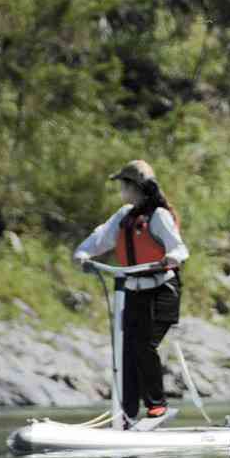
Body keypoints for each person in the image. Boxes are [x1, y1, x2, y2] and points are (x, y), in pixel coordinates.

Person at [73, 160, 188, 427]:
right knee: (124, 350)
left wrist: (171, 257)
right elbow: (100, 237)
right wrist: (83, 253)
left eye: (124, 185)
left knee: (143, 345)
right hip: (132, 292)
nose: (121, 191)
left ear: (136, 187)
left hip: (162, 292)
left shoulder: (158, 216)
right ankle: (125, 411)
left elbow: (179, 249)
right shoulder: (124, 215)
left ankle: (156, 405)